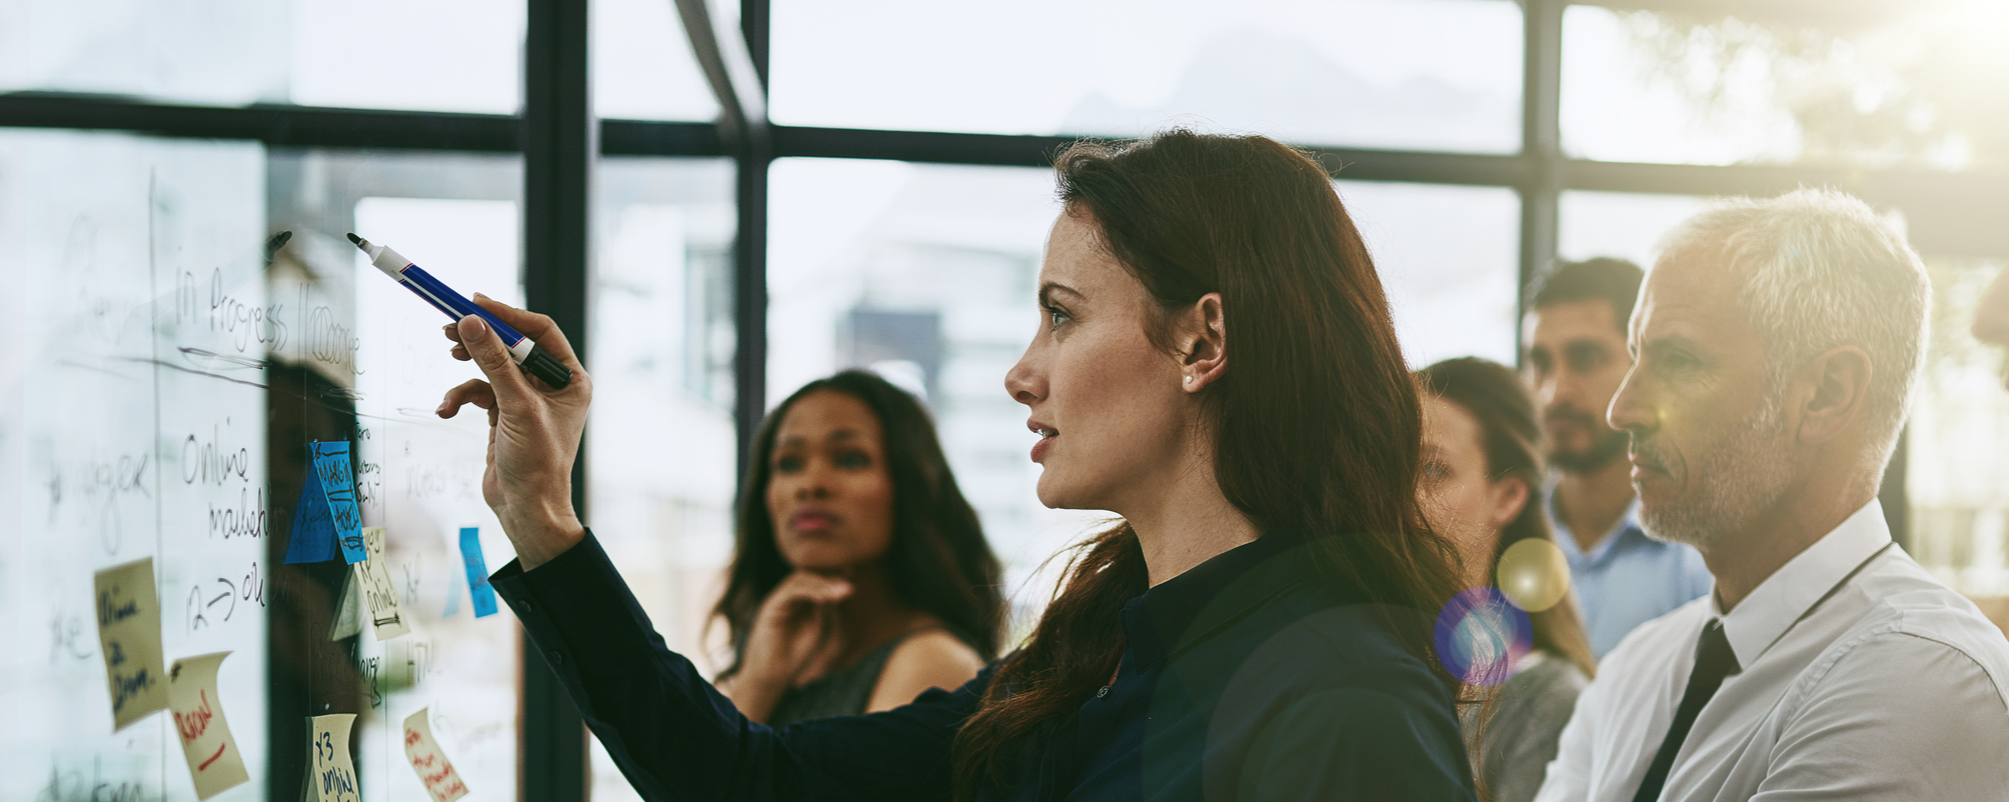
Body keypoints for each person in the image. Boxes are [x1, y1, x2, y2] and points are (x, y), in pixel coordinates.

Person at [436, 130, 1478, 800]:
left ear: (1202, 343)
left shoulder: (1344, 700)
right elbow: (747, 782)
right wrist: (540, 514)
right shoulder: (1095, 651)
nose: (1023, 374)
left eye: (1061, 318)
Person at [1536, 189, 2010, 802]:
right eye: (1636, 358)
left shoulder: (1921, 674)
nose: (1621, 408)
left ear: (1825, 394)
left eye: (1678, 361)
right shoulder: (1641, 665)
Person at [712, 370, 1001, 725]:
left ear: (908, 486)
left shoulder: (931, 659)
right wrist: (759, 680)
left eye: (849, 459)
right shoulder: (779, 645)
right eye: (789, 463)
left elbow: (712, 779)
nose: (810, 484)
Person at [1416, 357, 1595, 802]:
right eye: (1387, 467)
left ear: (1508, 496)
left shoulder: (1546, 700)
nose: (1401, 494)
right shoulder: (1374, 658)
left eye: (1433, 470)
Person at [1524, 258, 1710, 658]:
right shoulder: (1500, 535)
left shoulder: (1703, 559)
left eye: (1586, 358)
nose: (1553, 394)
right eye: (1540, 364)